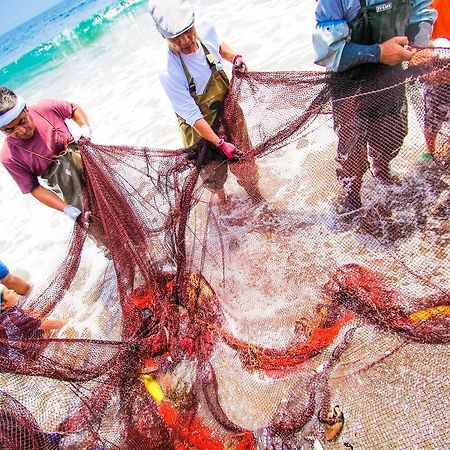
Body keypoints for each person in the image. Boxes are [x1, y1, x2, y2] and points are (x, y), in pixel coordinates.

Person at [313, 0, 437, 213]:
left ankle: (382, 169)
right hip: (349, 79)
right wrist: (378, 52)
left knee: (393, 134)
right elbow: (328, 51)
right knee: (352, 148)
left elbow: (421, 12)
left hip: (391, 74)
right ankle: (352, 196)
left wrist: (420, 44)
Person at [148, 0, 264, 206]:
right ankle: (223, 200)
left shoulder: (206, 28)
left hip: (228, 113)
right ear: (162, 35)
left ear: (194, 21)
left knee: (245, 164)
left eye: (188, 31)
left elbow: (217, 46)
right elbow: (191, 115)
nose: (185, 40)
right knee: (214, 178)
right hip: (200, 130)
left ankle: (256, 197)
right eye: (176, 38)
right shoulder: (167, 70)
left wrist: (234, 56)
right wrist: (219, 143)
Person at [0, 86, 92, 224]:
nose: (21, 130)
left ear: (26, 109)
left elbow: (74, 109)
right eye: (9, 129)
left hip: (94, 171)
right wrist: (67, 209)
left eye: (22, 121)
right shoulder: (9, 157)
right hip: (75, 197)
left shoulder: (46, 108)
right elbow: (34, 188)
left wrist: (85, 128)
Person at [422, 0, 450, 159]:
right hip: (436, 64)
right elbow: (415, 37)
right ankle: (429, 152)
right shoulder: (429, 3)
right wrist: (434, 46)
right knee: (433, 118)